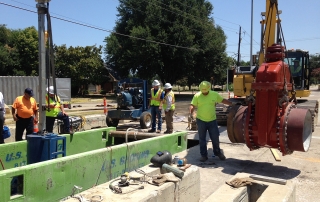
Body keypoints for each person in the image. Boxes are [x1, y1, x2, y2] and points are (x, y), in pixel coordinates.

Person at [189, 81, 233, 162]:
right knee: (202, 139)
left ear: (209, 88)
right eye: (203, 91)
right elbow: (192, 105)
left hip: (212, 121)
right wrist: (191, 111)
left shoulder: (214, 94)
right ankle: (204, 155)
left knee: (215, 137)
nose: (204, 93)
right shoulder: (197, 95)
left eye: (205, 91)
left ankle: (217, 152)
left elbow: (222, 100)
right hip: (201, 120)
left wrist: (232, 103)